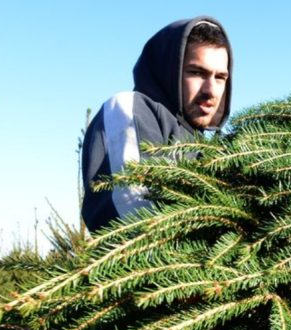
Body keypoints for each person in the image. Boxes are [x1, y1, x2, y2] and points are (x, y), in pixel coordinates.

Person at [81, 17, 232, 232]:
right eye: (197, 73)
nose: (211, 90)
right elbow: (133, 210)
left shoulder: (205, 146)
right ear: (170, 70)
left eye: (220, 77)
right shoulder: (129, 109)